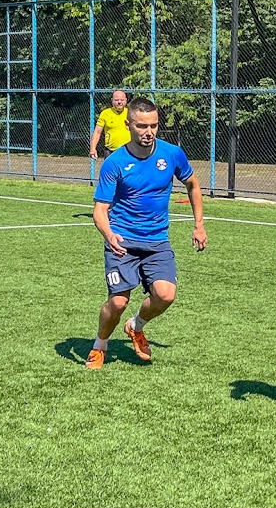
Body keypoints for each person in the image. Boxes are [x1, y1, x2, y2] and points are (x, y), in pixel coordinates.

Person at [85, 97, 207, 370]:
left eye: (153, 126)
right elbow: (99, 210)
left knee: (165, 295)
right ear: (129, 124)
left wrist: (199, 224)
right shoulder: (114, 163)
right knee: (117, 302)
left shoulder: (172, 154)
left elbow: (193, 184)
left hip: (156, 241)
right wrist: (108, 234)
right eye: (141, 126)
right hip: (122, 242)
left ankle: (135, 326)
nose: (148, 132)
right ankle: (100, 345)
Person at [89, 90, 131, 160]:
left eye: (122, 100)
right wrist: (92, 149)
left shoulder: (130, 113)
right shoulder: (105, 113)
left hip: (128, 151)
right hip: (111, 151)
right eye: (116, 100)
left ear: (126, 100)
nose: (119, 102)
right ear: (112, 100)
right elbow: (97, 132)